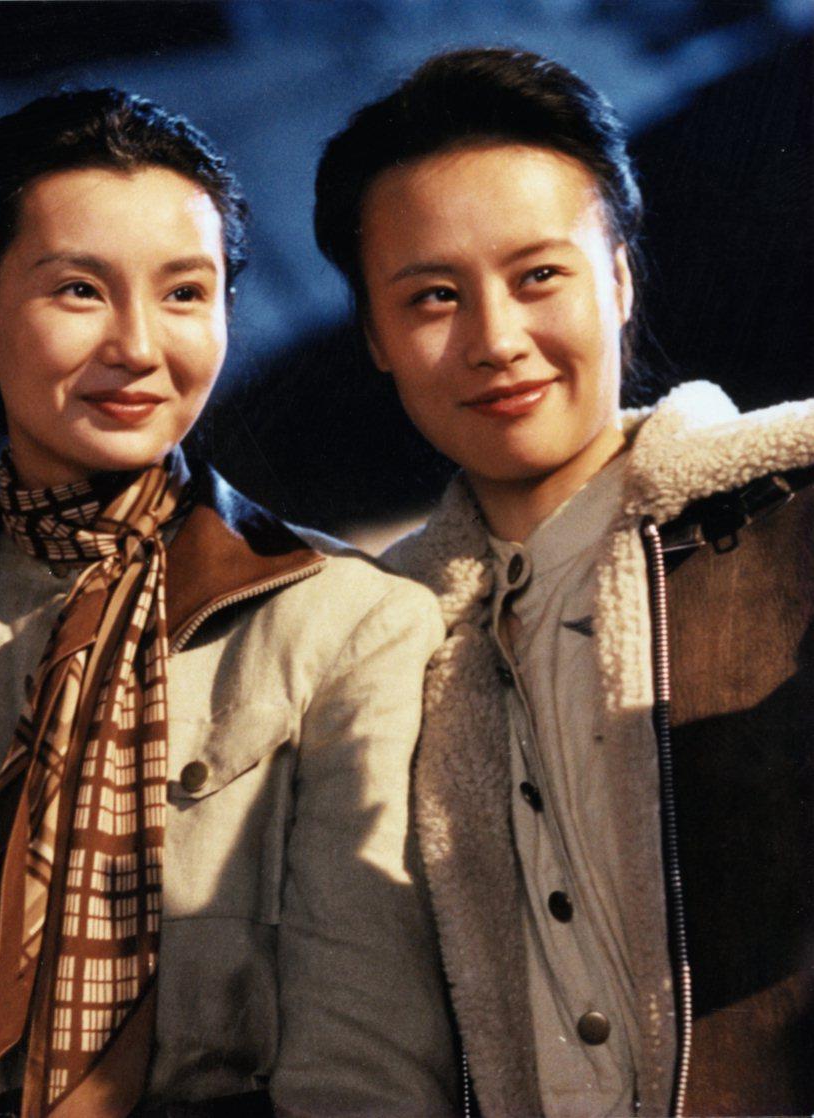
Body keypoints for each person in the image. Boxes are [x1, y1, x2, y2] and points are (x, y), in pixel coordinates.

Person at [0, 88, 457, 1118]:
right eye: (79, 290)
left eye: (183, 293)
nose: (136, 344)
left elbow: (367, 1064)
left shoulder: (347, 625)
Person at [314, 47, 814, 1118]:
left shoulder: (793, 512)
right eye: (434, 296)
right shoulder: (363, 648)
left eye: (540, 275)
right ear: (375, 337)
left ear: (621, 277)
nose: (498, 340)